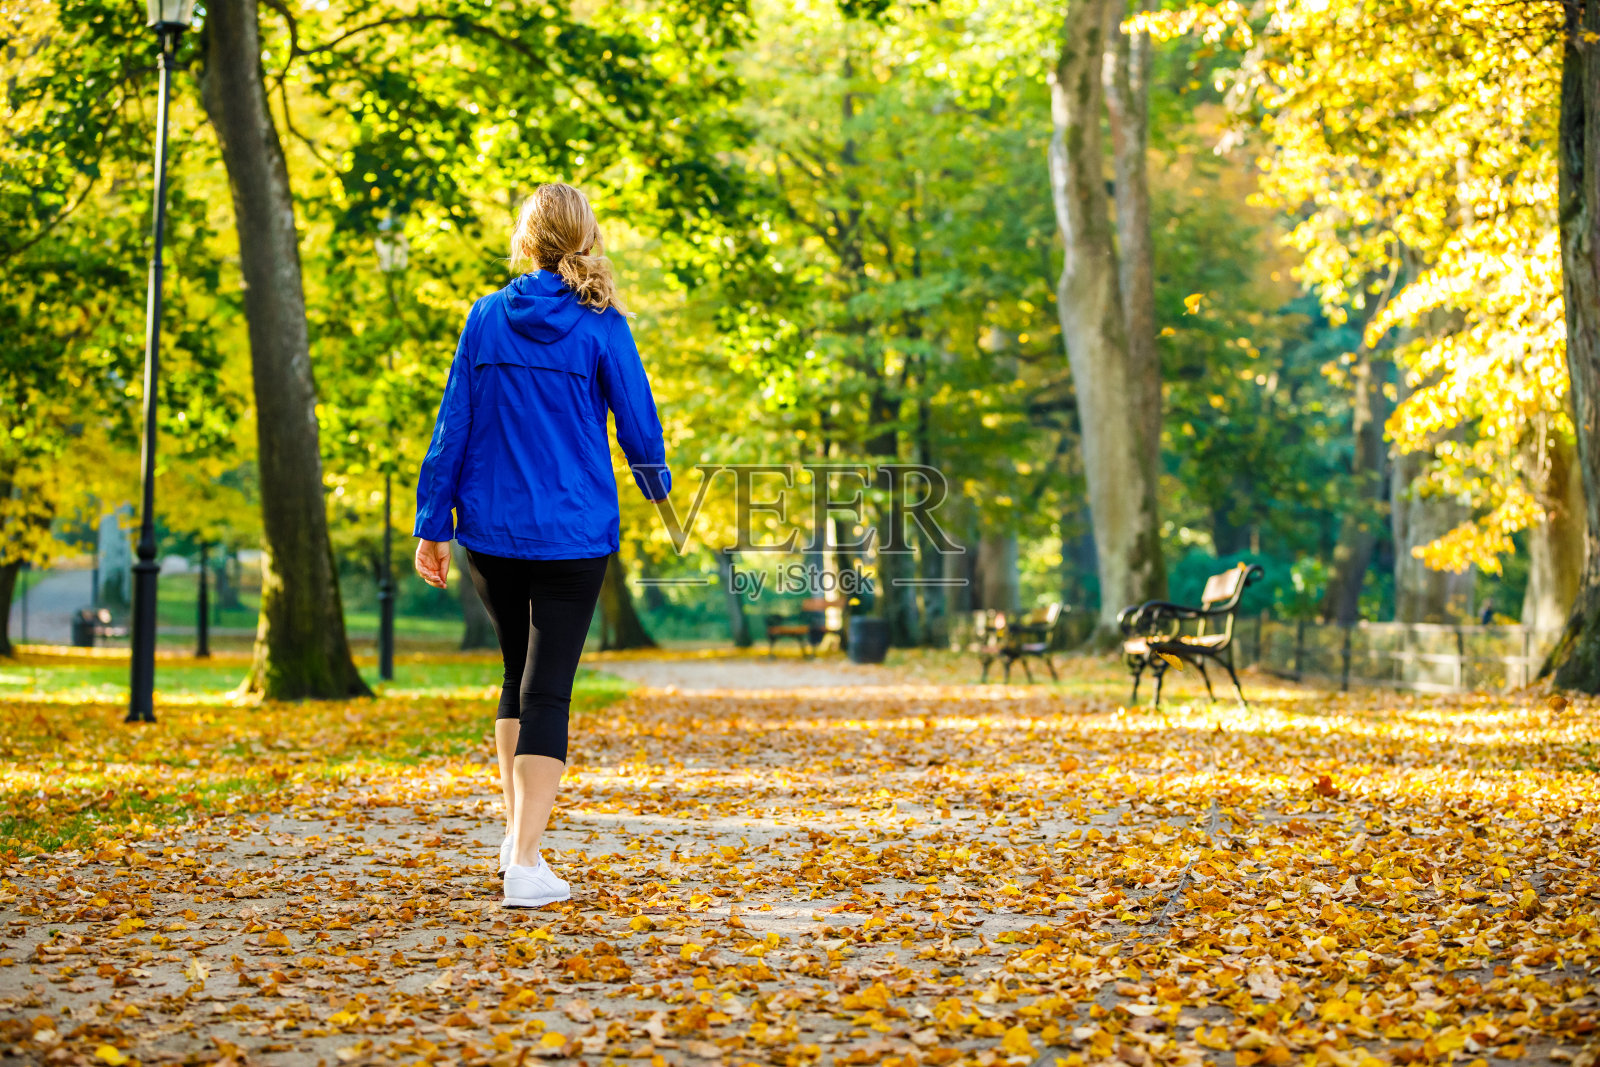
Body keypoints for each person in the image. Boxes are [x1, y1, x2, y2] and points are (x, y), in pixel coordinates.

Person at [412, 182, 670, 908]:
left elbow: (452, 422)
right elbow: (638, 421)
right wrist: (658, 486)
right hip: (573, 532)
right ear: (585, 239)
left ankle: (515, 838)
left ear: (525, 240)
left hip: (490, 533)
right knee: (547, 687)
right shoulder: (601, 323)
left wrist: (433, 520)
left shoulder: (486, 317)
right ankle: (525, 861)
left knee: (516, 675)